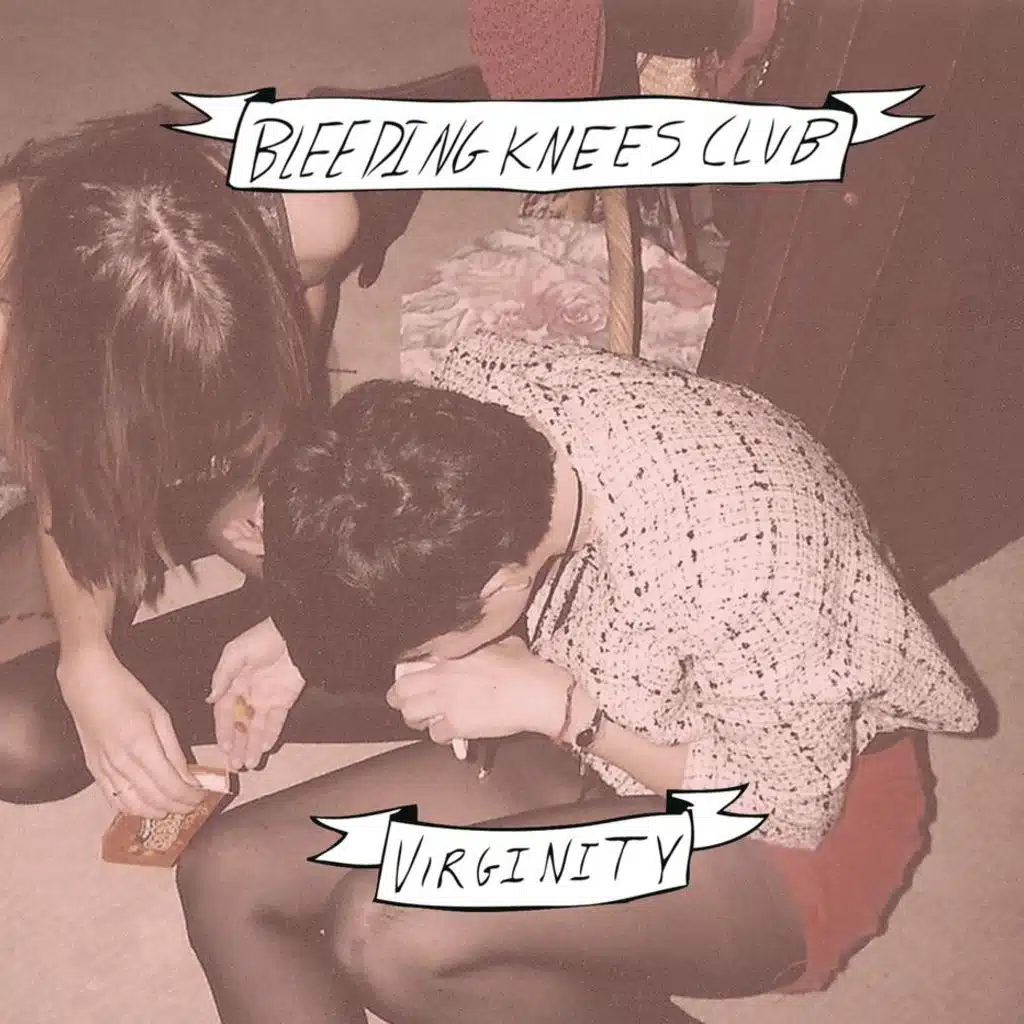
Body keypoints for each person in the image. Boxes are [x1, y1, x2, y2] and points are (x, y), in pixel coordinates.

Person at [175, 331, 981, 1024]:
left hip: (786, 820)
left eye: (415, 647)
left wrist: (570, 714)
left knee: (392, 932)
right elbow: (383, 510)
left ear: (499, 590)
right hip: (591, 691)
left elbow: (788, 810)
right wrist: (307, 617)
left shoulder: (749, 561)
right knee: (227, 869)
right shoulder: (468, 406)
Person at [0, 94, 436, 819]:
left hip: (240, 451)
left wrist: (288, 528)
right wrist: (86, 658)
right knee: (18, 739)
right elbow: (67, 472)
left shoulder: (313, 217)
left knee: (421, 615)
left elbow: (290, 403)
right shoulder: (13, 274)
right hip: (85, 459)